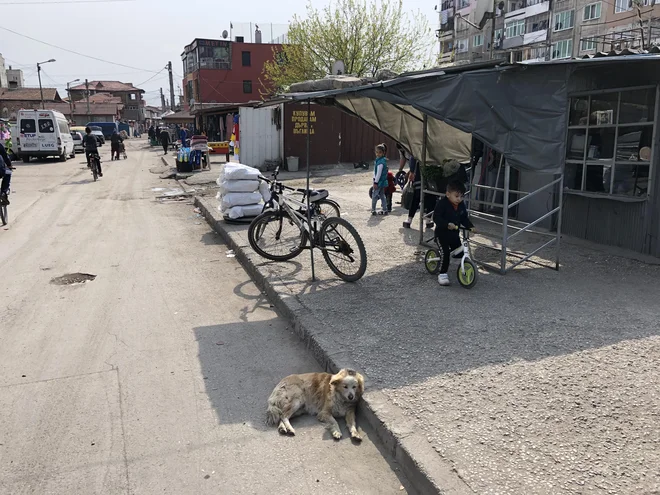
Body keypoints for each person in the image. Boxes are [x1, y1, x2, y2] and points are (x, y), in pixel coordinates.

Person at [433, 180, 474, 286]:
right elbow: (436, 217)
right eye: (456, 196)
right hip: (441, 234)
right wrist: (447, 224)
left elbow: (464, 218)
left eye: (461, 196)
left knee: (460, 252)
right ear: (448, 194)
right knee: (445, 253)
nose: (459, 199)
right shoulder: (442, 204)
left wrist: (470, 226)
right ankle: (442, 274)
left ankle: (464, 267)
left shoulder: (461, 205)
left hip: (454, 235)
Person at [403, 156, 434, 229]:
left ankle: (410, 219)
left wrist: (412, 171)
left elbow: (413, 156)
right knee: (428, 195)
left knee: (418, 196)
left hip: (422, 171)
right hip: (427, 170)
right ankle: (427, 220)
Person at [371, 143, 389, 215]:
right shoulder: (382, 160)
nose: (378, 154)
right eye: (377, 152)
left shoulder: (380, 162)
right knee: (382, 195)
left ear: (383, 153)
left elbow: (378, 173)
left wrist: (375, 182)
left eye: (380, 152)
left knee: (374, 196)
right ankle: (385, 209)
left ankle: (373, 210)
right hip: (383, 181)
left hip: (379, 182)